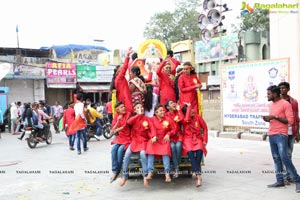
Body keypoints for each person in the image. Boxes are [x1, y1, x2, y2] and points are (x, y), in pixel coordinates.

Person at [262, 85, 300, 192]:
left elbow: (290, 121)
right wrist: (268, 119)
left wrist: (275, 117)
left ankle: (298, 180)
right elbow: (274, 119)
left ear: (275, 94)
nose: (267, 95)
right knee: (276, 158)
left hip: (281, 135)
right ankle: (280, 181)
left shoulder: (286, 104)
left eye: (269, 93)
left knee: (284, 158)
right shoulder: (271, 105)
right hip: (272, 134)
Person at [119, 102, 156, 187]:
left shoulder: (147, 118)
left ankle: (145, 176)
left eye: (141, 107)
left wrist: (153, 136)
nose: (141, 109)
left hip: (143, 141)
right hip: (134, 141)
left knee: (143, 154)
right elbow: (128, 122)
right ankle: (124, 176)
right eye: (138, 108)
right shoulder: (133, 118)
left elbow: (152, 128)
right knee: (127, 155)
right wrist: (138, 115)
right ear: (135, 110)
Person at [146, 104, 176, 183]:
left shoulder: (168, 119)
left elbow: (174, 129)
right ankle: (150, 172)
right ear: (156, 112)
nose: (163, 112)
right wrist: (152, 136)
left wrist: (168, 134)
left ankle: (167, 174)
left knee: (165, 152)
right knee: (150, 151)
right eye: (160, 111)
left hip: (164, 139)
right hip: (154, 139)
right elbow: (148, 130)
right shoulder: (151, 119)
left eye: (163, 110)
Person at [181, 103, 208, 187]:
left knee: (200, 151)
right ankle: (199, 176)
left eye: (192, 108)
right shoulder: (185, 120)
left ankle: (195, 171)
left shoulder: (198, 117)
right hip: (188, 139)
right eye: (190, 110)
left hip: (197, 138)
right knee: (191, 154)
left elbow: (205, 128)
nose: (192, 110)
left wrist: (205, 140)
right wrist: (188, 107)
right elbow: (186, 120)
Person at [278, 82, 300, 184]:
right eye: (280, 88)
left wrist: (297, 133)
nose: (281, 90)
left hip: (292, 131)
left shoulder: (294, 102)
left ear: (288, 89)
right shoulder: (277, 101)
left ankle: (288, 175)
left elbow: (297, 118)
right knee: (282, 154)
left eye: (283, 88)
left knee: (289, 154)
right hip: (281, 131)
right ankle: (283, 176)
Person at [110, 101, 131, 183]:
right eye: (121, 107)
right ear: (117, 110)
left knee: (120, 151)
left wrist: (114, 130)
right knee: (113, 149)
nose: (124, 108)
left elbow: (123, 127)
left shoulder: (128, 114)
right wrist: (118, 121)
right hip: (120, 137)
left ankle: (118, 170)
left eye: (123, 106)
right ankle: (115, 171)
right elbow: (112, 129)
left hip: (128, 137)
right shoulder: (116, 116)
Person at [164, 100, 184, 178]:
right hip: (170, 136)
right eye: (171, 103)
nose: (174, 104)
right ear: (168, 107)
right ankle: (176, 168)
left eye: (173, 102)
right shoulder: (166, 115)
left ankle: (176, 168)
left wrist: (179, 110)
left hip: (178, 135)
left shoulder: (177, 113)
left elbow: (182, 119)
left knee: (178, 146)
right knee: (172, 147)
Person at [114, 47, 134, 112]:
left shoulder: (116, 80)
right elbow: (125, 67)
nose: (122, 69)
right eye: (120, 69)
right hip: (126, 100)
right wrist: (127, 56)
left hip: (123, 100)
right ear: (117, 72)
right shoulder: (120, 77)